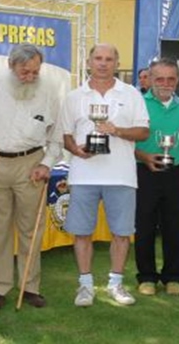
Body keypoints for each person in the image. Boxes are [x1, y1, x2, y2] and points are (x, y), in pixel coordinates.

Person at [0, 43, 64, 309]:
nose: (30, 77)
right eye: (25, 72)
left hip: (31, 162)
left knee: (30, 228)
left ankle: (29, 286)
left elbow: (56, 135)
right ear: (11, 65)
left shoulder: (48, 90)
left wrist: (46, 164)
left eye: (35, 72)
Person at [60, 43, 149, 307]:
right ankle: (85, 286)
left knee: (121, 233)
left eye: (109, 59)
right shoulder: (74, 96)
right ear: (89, 62)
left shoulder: (131, 93)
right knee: (82, 232)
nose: (103, 63)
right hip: (83, 174)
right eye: (98, 58)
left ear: (116, 62)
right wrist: (76, 149)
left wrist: (117, 130)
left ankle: (115, 283)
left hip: (121, 175)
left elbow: (143, 132)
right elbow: (65, 135)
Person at [134, 58, 179, 296]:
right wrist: (144, 156)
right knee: (145, 226)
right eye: (160, 78)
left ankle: (173, 277)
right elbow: (127, 139)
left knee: (175, 226)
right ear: (149, 79)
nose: (165, 83)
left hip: (176, 172)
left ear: (177, 80)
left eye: (171, 78)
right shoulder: (138, 103)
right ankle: (147, 276)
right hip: (144, 171)